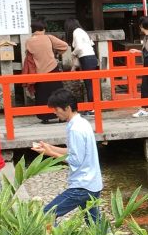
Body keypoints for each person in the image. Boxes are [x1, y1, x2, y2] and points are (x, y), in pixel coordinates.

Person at [31, 88, 104, 224]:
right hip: (92, 184)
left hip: (82, 186)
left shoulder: (75, 129)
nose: (54, 112)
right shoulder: (82, 123)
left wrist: (50, 154)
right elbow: (72, 151)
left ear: (67, 108)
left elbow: (75, 160)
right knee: (96, 227)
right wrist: (49, 147)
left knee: (46, 215)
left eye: (56, 109)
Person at [24, 18, 68, 123]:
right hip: (53, 69)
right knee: (57, 93)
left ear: (32, 29)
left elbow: (29, 56)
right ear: (44, 28)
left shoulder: (28, 41)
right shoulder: (49, 38)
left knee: (41, 95)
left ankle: (45, 117)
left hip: (39, 72)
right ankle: (61, 116)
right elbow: (64, 46)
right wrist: (56, 53)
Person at [65, 18, 98, 115]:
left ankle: (93, 108)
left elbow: (79, 47)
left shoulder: (76, 32)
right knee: (90, 84)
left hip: (86, 58)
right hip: (90, 57)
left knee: (89, 85)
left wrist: (73, 53)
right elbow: (91, 44)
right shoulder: (82, 31)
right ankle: (92, 107)